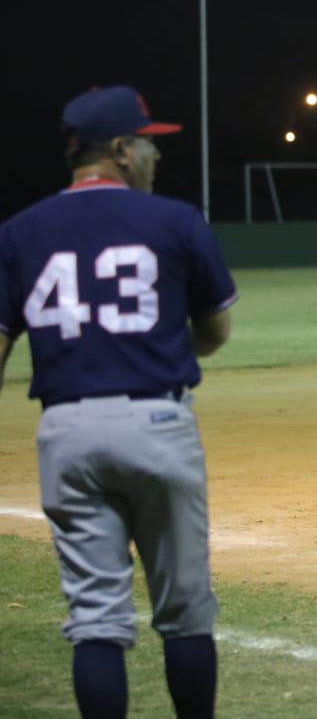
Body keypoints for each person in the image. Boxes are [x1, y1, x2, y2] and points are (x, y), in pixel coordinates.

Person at [0, 85, 236, 716]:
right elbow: (214, 332)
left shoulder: (20, 232)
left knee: (96, 619)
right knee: (185, 612)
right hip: (156, 421)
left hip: (67, 431)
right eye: (148, 143)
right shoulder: (176, 220)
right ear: (119, 151)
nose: (155, 155)